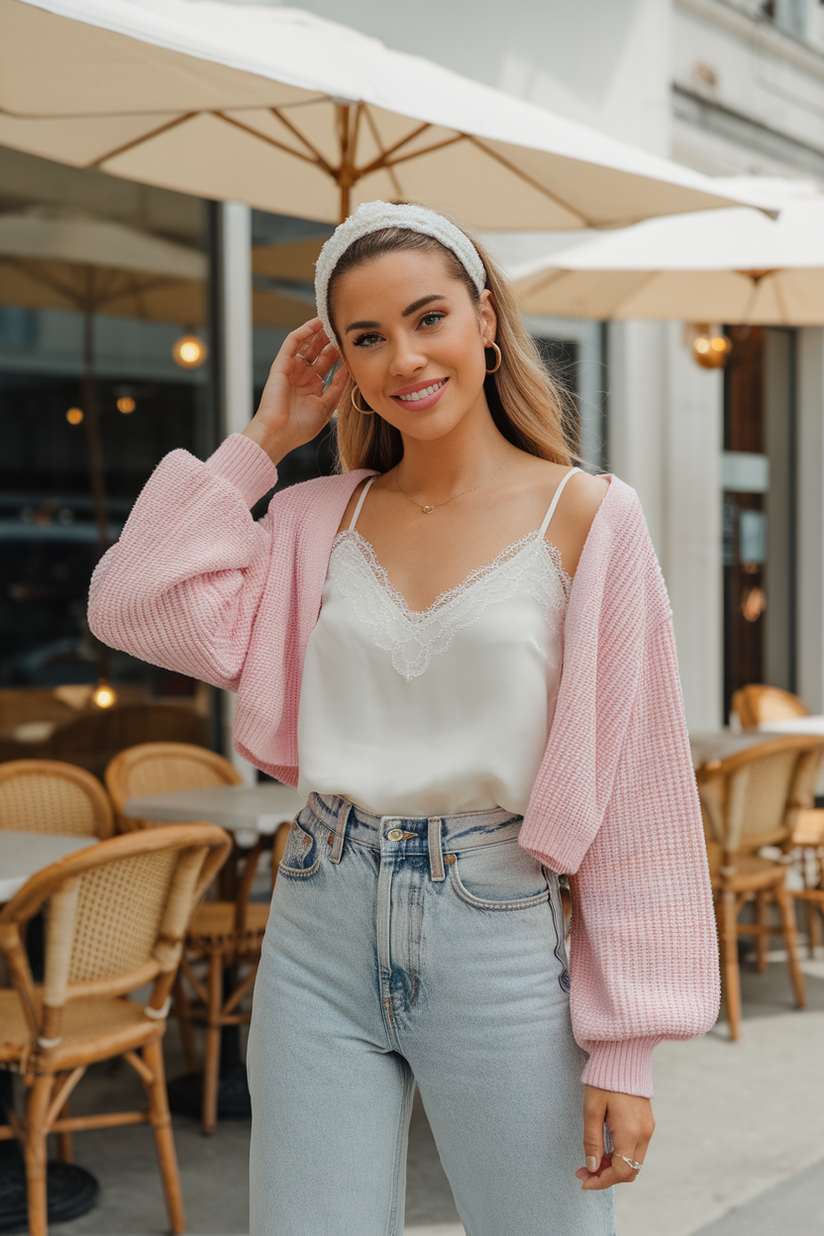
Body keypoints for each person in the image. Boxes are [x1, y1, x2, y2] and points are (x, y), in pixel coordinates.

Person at [88, 200, 719, 1236]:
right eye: (365, 337)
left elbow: (640, 789)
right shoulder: (309, 517)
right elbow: (131, 600)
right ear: (337, 358)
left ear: (482, 318)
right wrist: (263, 439)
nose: (403, 359)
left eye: (427, 319)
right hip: (315, 918)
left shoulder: (591, 518)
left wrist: (625, 1048)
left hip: (497, 925)